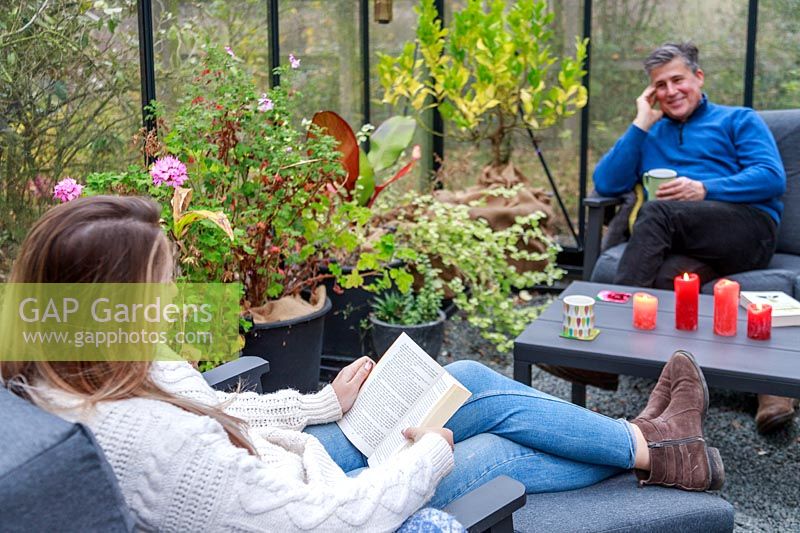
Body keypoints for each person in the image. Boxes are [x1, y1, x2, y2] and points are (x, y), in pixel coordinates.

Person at [1, 196, 724, 532]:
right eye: (161, 283)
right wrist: (429, 460)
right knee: (486, 445)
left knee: (462, 380)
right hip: (327, 498)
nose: (171, 298)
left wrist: (322, 402)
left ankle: (647, 443)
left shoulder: (70, 360)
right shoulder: (160, 449)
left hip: (297, 457)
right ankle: (662, 449)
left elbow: (214, 409)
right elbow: (323, 523)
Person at [592, 42, 793, 434]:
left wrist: (704, 188)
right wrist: (640, 123)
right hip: (684, 242)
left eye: (678, 79)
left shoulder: (738, 120)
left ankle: (607, 348)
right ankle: (759, 383)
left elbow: (771, 177)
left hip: (747, 230)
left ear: (698, 78)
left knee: (656, 211)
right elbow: (605, 182)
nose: (670, 91)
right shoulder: (650, 134)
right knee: (671, 278)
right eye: (660, 85)